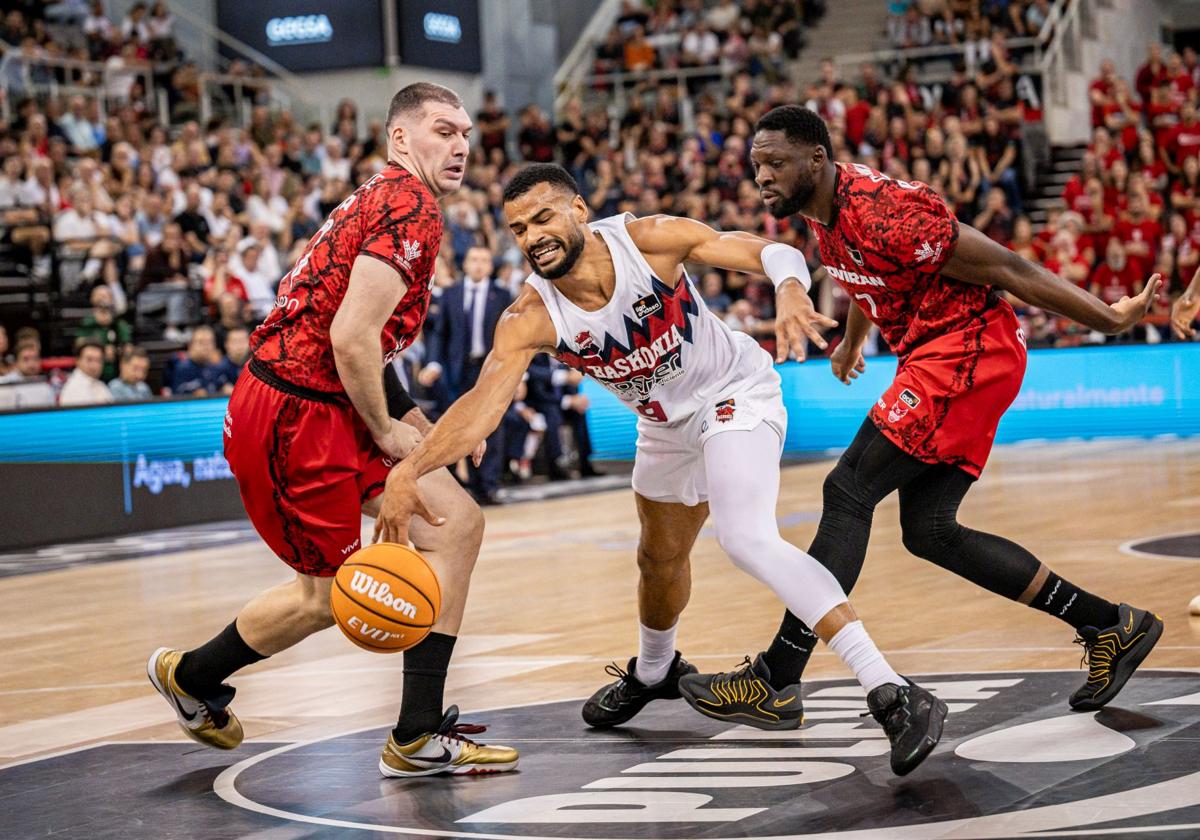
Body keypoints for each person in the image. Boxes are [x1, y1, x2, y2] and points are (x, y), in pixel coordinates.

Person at [374, 163, 949, 778]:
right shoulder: (528, 317)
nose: (532, 235)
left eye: (543, 217)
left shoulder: (647, 240)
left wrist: (788, 288)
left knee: (745, 537)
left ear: (577, 209)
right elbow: (482, 409)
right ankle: (655, 672)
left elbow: (776, 250)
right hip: (664, 424)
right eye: (518, 228)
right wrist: (412, 470)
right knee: (657, 559)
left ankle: (889, 689)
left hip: (735, 394)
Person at [683, 106, 1164, 731]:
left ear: (817, 161)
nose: (763, 178)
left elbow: (1011, 270)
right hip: (940, 355)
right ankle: (1108, 625)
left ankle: (777, 678)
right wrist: (855, 340)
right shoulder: (822, 216)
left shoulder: (887, 209)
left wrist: (1110, 318)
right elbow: (866, 278)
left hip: (969, 350)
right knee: (930, 530)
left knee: (847, 489)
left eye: (776, 164)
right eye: (756, 166)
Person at [146, 83, 518, 779]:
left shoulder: (384, 196)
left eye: (467, 132)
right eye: (444, 129)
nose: (462, 144)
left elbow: (357, 337)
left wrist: (410, 420)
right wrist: (383, 428)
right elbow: (352, 336)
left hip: (325, 401)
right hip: (294, 415)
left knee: (458, 524)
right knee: (322, 600)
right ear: (401, 138)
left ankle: (416, 733)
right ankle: (192, 677)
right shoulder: (410, 204)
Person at [421, 245, 512, 503]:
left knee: (491, 427)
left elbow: (512, 336)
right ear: (466, 264)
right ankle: (464, 486)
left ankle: (489, 486)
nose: (478, 265)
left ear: (490, 266)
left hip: (491, 371)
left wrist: (520, 376)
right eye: (474, 259)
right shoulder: (451, 294)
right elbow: (439, 334)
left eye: (484, 260)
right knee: (456, 427)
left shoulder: (502, 295)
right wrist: (434, 364)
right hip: (457, 371)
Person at [59, 341, 114, 406]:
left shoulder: (100, 385)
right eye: (89, 360)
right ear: (78, 361)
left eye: (98, 360)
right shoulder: (73, 388)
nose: (94, 365)